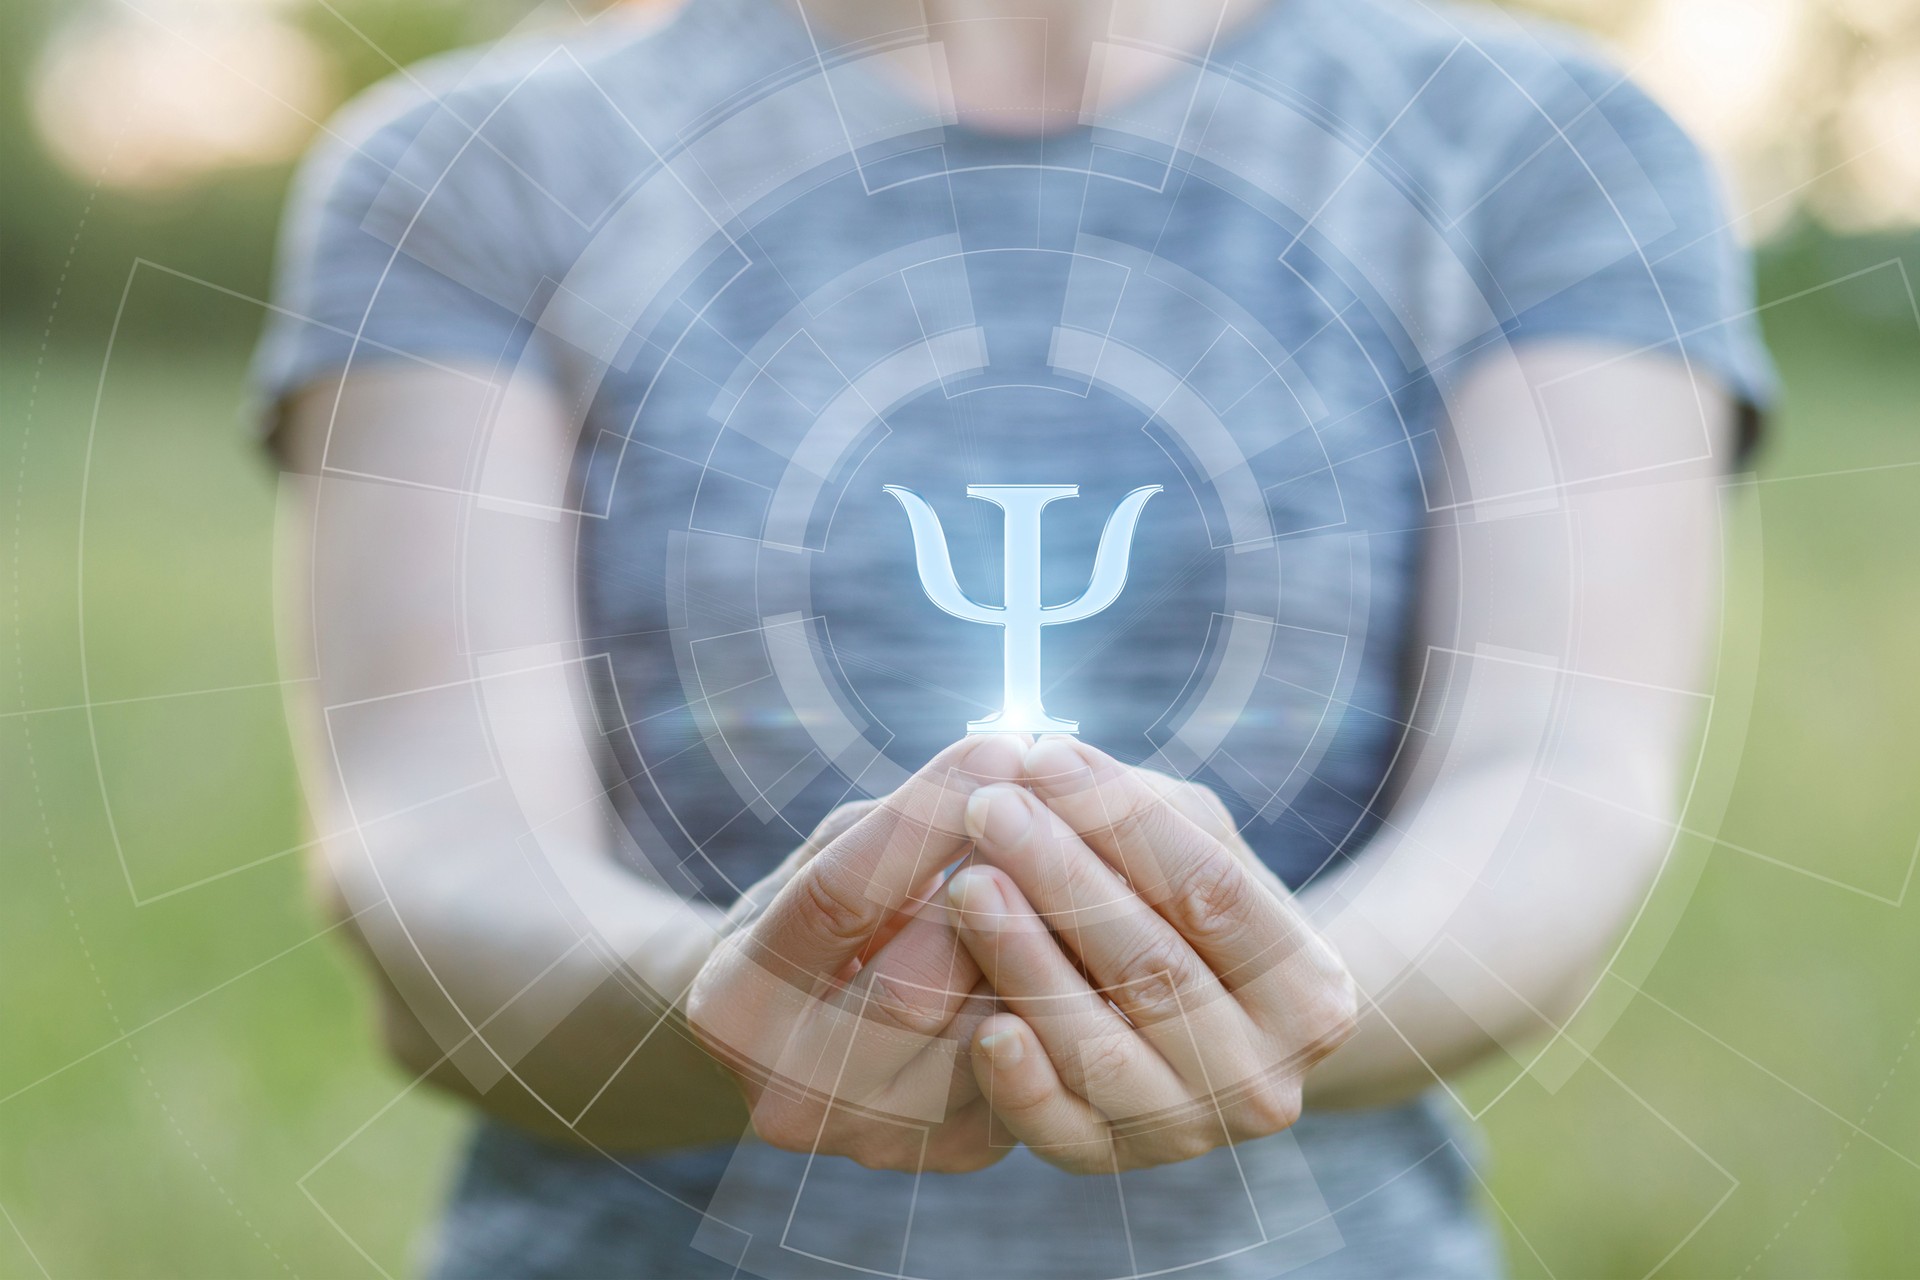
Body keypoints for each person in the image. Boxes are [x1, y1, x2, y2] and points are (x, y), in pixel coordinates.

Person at [253, 0, 1773, 1274]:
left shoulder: (1541, 151)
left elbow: (1559, 778)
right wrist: (732, 1003)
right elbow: (436, 848)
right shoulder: (472, 168)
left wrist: (1273, 1001)